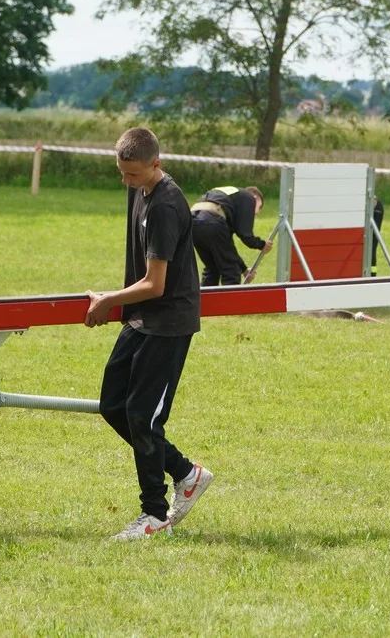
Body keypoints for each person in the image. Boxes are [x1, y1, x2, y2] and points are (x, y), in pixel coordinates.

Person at [84, 127, 213, 540]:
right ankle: (185, 472)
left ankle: (155, 515)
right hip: (140, 318)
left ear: (156, 164)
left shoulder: (166, 205)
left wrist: (108, 300)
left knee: (143, 416)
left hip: (168, 322)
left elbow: (156, 284)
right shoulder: (136, 189)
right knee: (112, 405)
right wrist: (117, 300)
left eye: (134, 175)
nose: (127, 182)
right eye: (122, 174)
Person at [191, 186, 272, 285]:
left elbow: (227, 248)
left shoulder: (229, 197)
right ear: (255, 197)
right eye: (259, 207)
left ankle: (205, 300)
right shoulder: (248, 197)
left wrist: (244, 268)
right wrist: (262, 245)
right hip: (212, 221)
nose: (257, 213)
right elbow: (245, 235)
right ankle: (230, 301)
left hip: (193, 223)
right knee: (231, 271)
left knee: (213, 268)